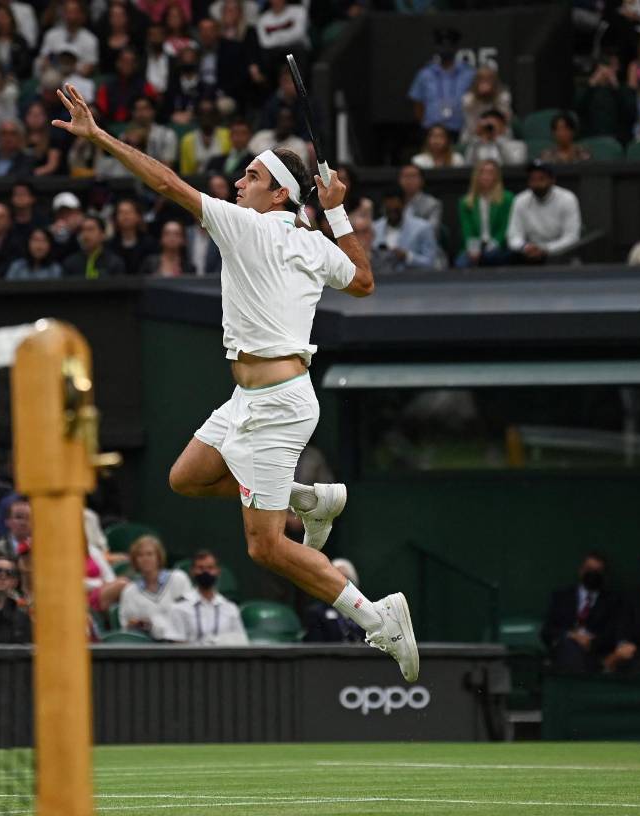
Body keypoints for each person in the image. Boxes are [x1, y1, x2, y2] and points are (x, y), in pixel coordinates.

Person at [55, 82, 418, 679]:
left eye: (251, 176)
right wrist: (335, 211)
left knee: (266, 546)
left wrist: (98, 137)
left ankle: (378, 617)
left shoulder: (247, 226)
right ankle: (307, 497)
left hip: (276, 405)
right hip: (251, 398)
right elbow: (363, 280)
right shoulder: (311, 241)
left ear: (278, 195)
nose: (237, 182)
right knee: (186, 477)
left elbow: (167, 183)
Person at [541, 552, 620, 673]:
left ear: (603, 575)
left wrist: (590, 642)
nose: (593, 574)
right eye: (589, 569)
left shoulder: (612, 601)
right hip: (564, 651)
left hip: (595, 653)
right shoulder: (561, 597)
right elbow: (547, 631)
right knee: (569, 647)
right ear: (581, 571)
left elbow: (613, 634)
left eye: (597, 571)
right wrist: (571, 635)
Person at [164, 550, 248, 644]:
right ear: (192, 571)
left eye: (210, 568)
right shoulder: (179, 607)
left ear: (218, 571)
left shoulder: (230, 608)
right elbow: (176, 643)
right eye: (200, 568)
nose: (205, 572)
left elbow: (241, 642)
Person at [506, 160, 583, 263]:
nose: (536, 183)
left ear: (552, 180)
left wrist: (546, 249)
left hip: (561, 255)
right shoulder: (520, 200)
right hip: (528, 255)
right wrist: (525, 247)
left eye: (541, 178)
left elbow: (572, 237)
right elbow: (513, 236)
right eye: (533, 179)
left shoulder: (568, 199)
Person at [117, 534, 193, 636]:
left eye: (149, 554)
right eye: (140, 555)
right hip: (147, 643)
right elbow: (127, 625)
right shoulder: (129, 592)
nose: (145, 559)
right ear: (135, 560)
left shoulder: (178, 579)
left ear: (158, 557)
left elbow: (188, 614)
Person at [407, 28, 474, 138]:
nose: (445, 49)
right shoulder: (425, 74)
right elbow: (418, 105)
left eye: (449, 45)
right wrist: (425, 124)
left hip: (461, 131)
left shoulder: (469, 73)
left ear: (456, 47)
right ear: (436, 47)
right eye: (441, 45)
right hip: (431, 131)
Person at [456, 160, 513, 267]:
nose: (486, 176)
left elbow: (505, 227)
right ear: (476, 176)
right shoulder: (466, 202)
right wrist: (473, 249)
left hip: (498, 245)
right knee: (461, 263)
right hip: (476, 245)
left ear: (496, 176)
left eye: (490, 173)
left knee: (490, 257)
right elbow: (467, 229)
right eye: (482, 172)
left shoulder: (507, 198)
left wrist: (493, 246)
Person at [303, 557, 364, 642]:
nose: (341, 583)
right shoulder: (316, 613)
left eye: (346, 578)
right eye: (337, 578)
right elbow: (315, 645)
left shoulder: (364, 610)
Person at [398, 164, 443, 236]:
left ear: (422, 180)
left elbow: (432, 231)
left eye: (413, 176)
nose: (409, 180)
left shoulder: (433, 204)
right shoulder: (394, 203)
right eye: (405, 176)